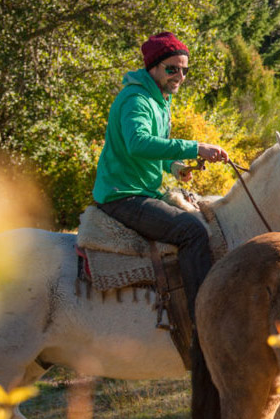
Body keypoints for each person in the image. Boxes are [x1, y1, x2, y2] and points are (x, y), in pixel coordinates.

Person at [93, 31, 227, 324]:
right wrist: (196, 147)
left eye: (184, 70)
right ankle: (201, 320)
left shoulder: (159, 98)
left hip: (141, 191)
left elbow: (151, 148)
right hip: (123, 196)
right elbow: (137, 143)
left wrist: (175, 166)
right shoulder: (137, 99)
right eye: (172, 68)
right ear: (152, 67)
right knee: (193, 232)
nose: (179, 75)